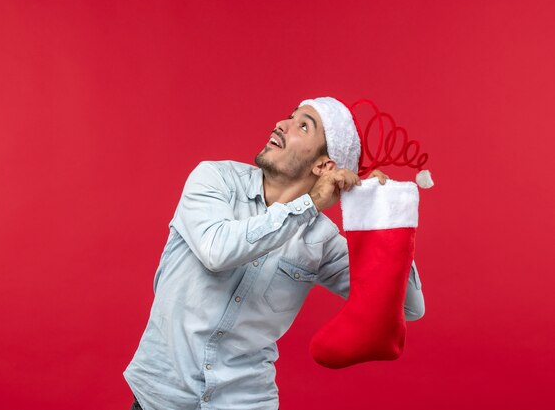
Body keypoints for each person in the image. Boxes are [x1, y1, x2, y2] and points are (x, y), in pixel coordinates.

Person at [123, 97, 425, 410]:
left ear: (323, 166)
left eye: (303, 125)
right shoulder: (215, 180)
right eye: (290, 117)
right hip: (161, 399)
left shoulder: (320, 239)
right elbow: (217, 250)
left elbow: (405, 306)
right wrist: (308, 205)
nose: (282, 124)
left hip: (246, 402)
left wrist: (382, 218)